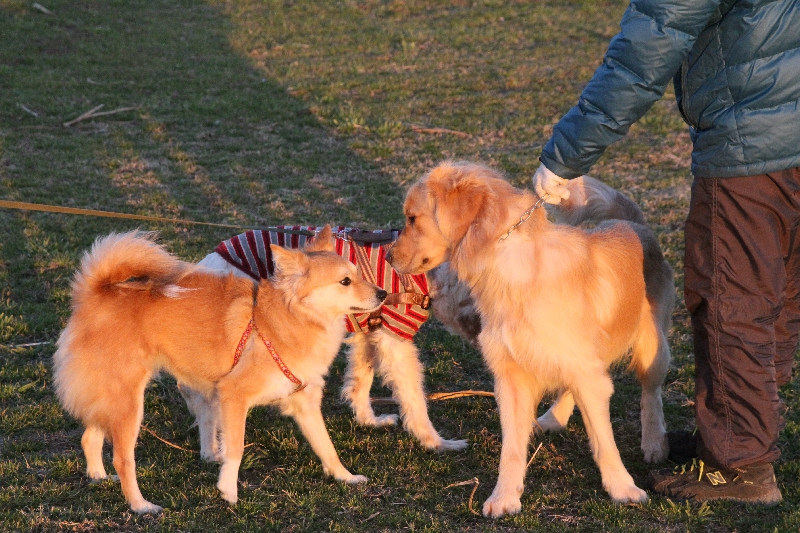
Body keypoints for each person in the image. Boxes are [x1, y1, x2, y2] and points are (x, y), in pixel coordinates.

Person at [533, 0, 800, 504]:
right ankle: (745, 431)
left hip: (751, 147)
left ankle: (740, 464)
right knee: (777, 294)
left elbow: (645, 50)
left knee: (733, 302)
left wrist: (566, 154)